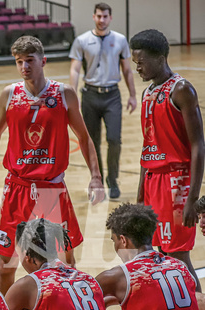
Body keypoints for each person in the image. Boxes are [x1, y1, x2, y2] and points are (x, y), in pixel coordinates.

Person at [0, 36, 104, 296]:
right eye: (19, 61)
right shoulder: (9, 94)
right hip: (17, 188)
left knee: (65, 263)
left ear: (43, 61)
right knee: (5, 265)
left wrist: (96, 176)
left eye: (29, 61)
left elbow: (83, 137)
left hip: (51, 189)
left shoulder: (64, 94)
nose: (24, 66)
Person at [131, 29, 204, 293]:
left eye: (141, 62)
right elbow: (147, 145)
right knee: (159, 254)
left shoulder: (181, 89)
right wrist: (141, 189)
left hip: (177, 183)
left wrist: (192, 199)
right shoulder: (148, 93)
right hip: (153, 181)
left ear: (160, 58)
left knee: (178, 257)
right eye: (134, 62)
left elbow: (198, 146)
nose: (137, 67)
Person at [69, 2, 137, 199]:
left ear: (110, 18)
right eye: (98, 16)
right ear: (94, 17)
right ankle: (96, 180)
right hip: (89, 95)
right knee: (92, 142)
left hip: (112, 96)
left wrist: (132, 95)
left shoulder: (120, 40)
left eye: (105, 16)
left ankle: (113, 179)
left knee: (114, 139)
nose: (102, 20)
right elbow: (74, 69)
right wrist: (73, 97)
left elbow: (127, 70)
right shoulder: (82, 40)